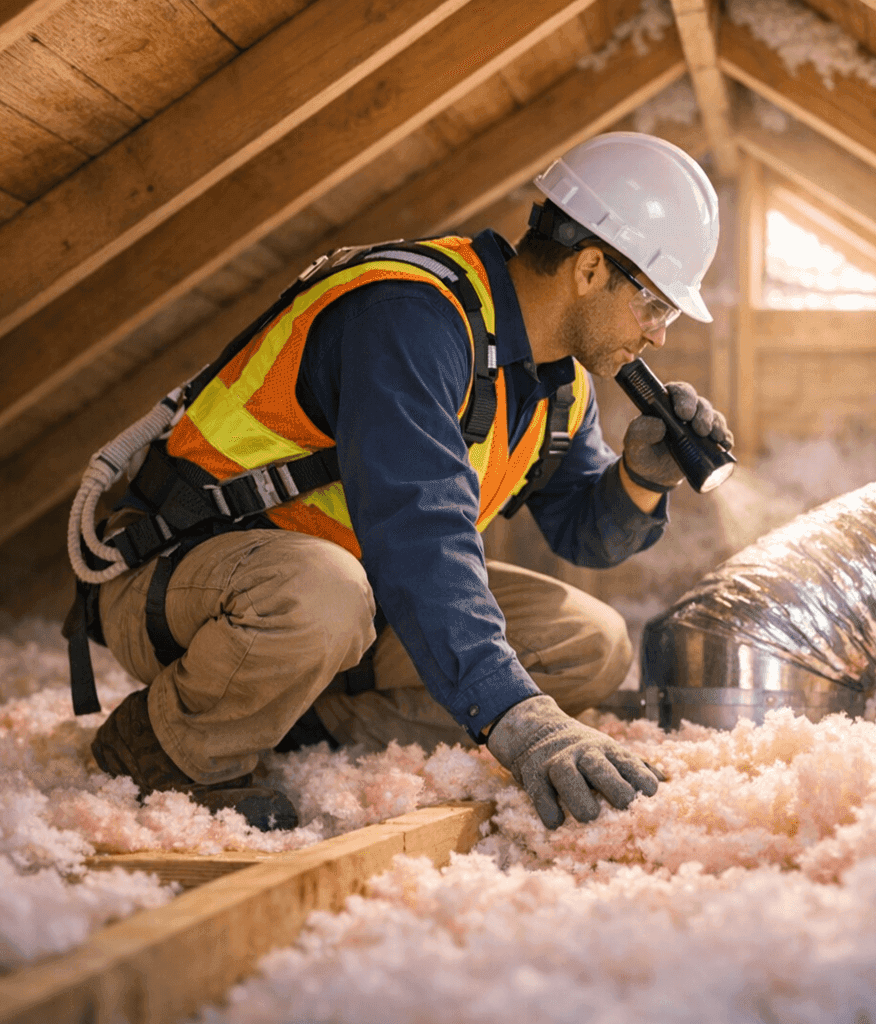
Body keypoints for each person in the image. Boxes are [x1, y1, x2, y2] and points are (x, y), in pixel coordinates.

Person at [69, 132, 731, 831]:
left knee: (589, 642)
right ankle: (166, 746)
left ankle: (288, 715)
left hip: (352, 598)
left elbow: (583, 531)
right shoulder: (411, 316)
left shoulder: (558, 381)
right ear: (591, 268)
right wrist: (521, 721)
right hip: (185, 580)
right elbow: (421, 535)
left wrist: (641, 478)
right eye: (655, 305)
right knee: (323, 592)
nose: (659, 335)